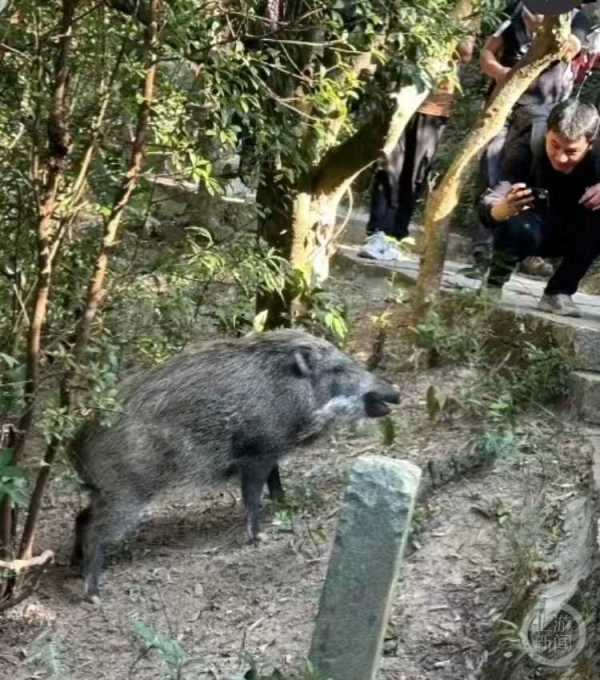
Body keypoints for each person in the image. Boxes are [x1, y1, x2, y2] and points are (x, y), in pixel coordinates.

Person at [473, 1, 589, 274]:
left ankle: (521, 250)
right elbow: (487, 53)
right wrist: (504, 75)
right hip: (504, 109)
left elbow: (571, 45)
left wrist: (549, 27)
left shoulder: (576, 17)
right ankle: (483, 248)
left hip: (543, 117)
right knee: (491, 175)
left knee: (530, 180)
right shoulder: (515, 9)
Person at [480, 99, 600, 316]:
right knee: (515, 219)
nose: (561, 157)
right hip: (528, 227)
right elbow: (492, 198)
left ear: (590, 144)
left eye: (571, 151)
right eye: (554, 145)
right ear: (547, 133)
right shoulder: (528, 145)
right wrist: (502, 209)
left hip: (576, 232)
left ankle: (559, 292)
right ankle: (493, 284)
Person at [360, 39, 475, 261]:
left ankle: (397, 235)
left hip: (434, 110)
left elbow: (466, 53)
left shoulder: (468, 14)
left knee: (415, 176)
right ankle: (377, 233)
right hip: (402, 100)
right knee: (388, 167)